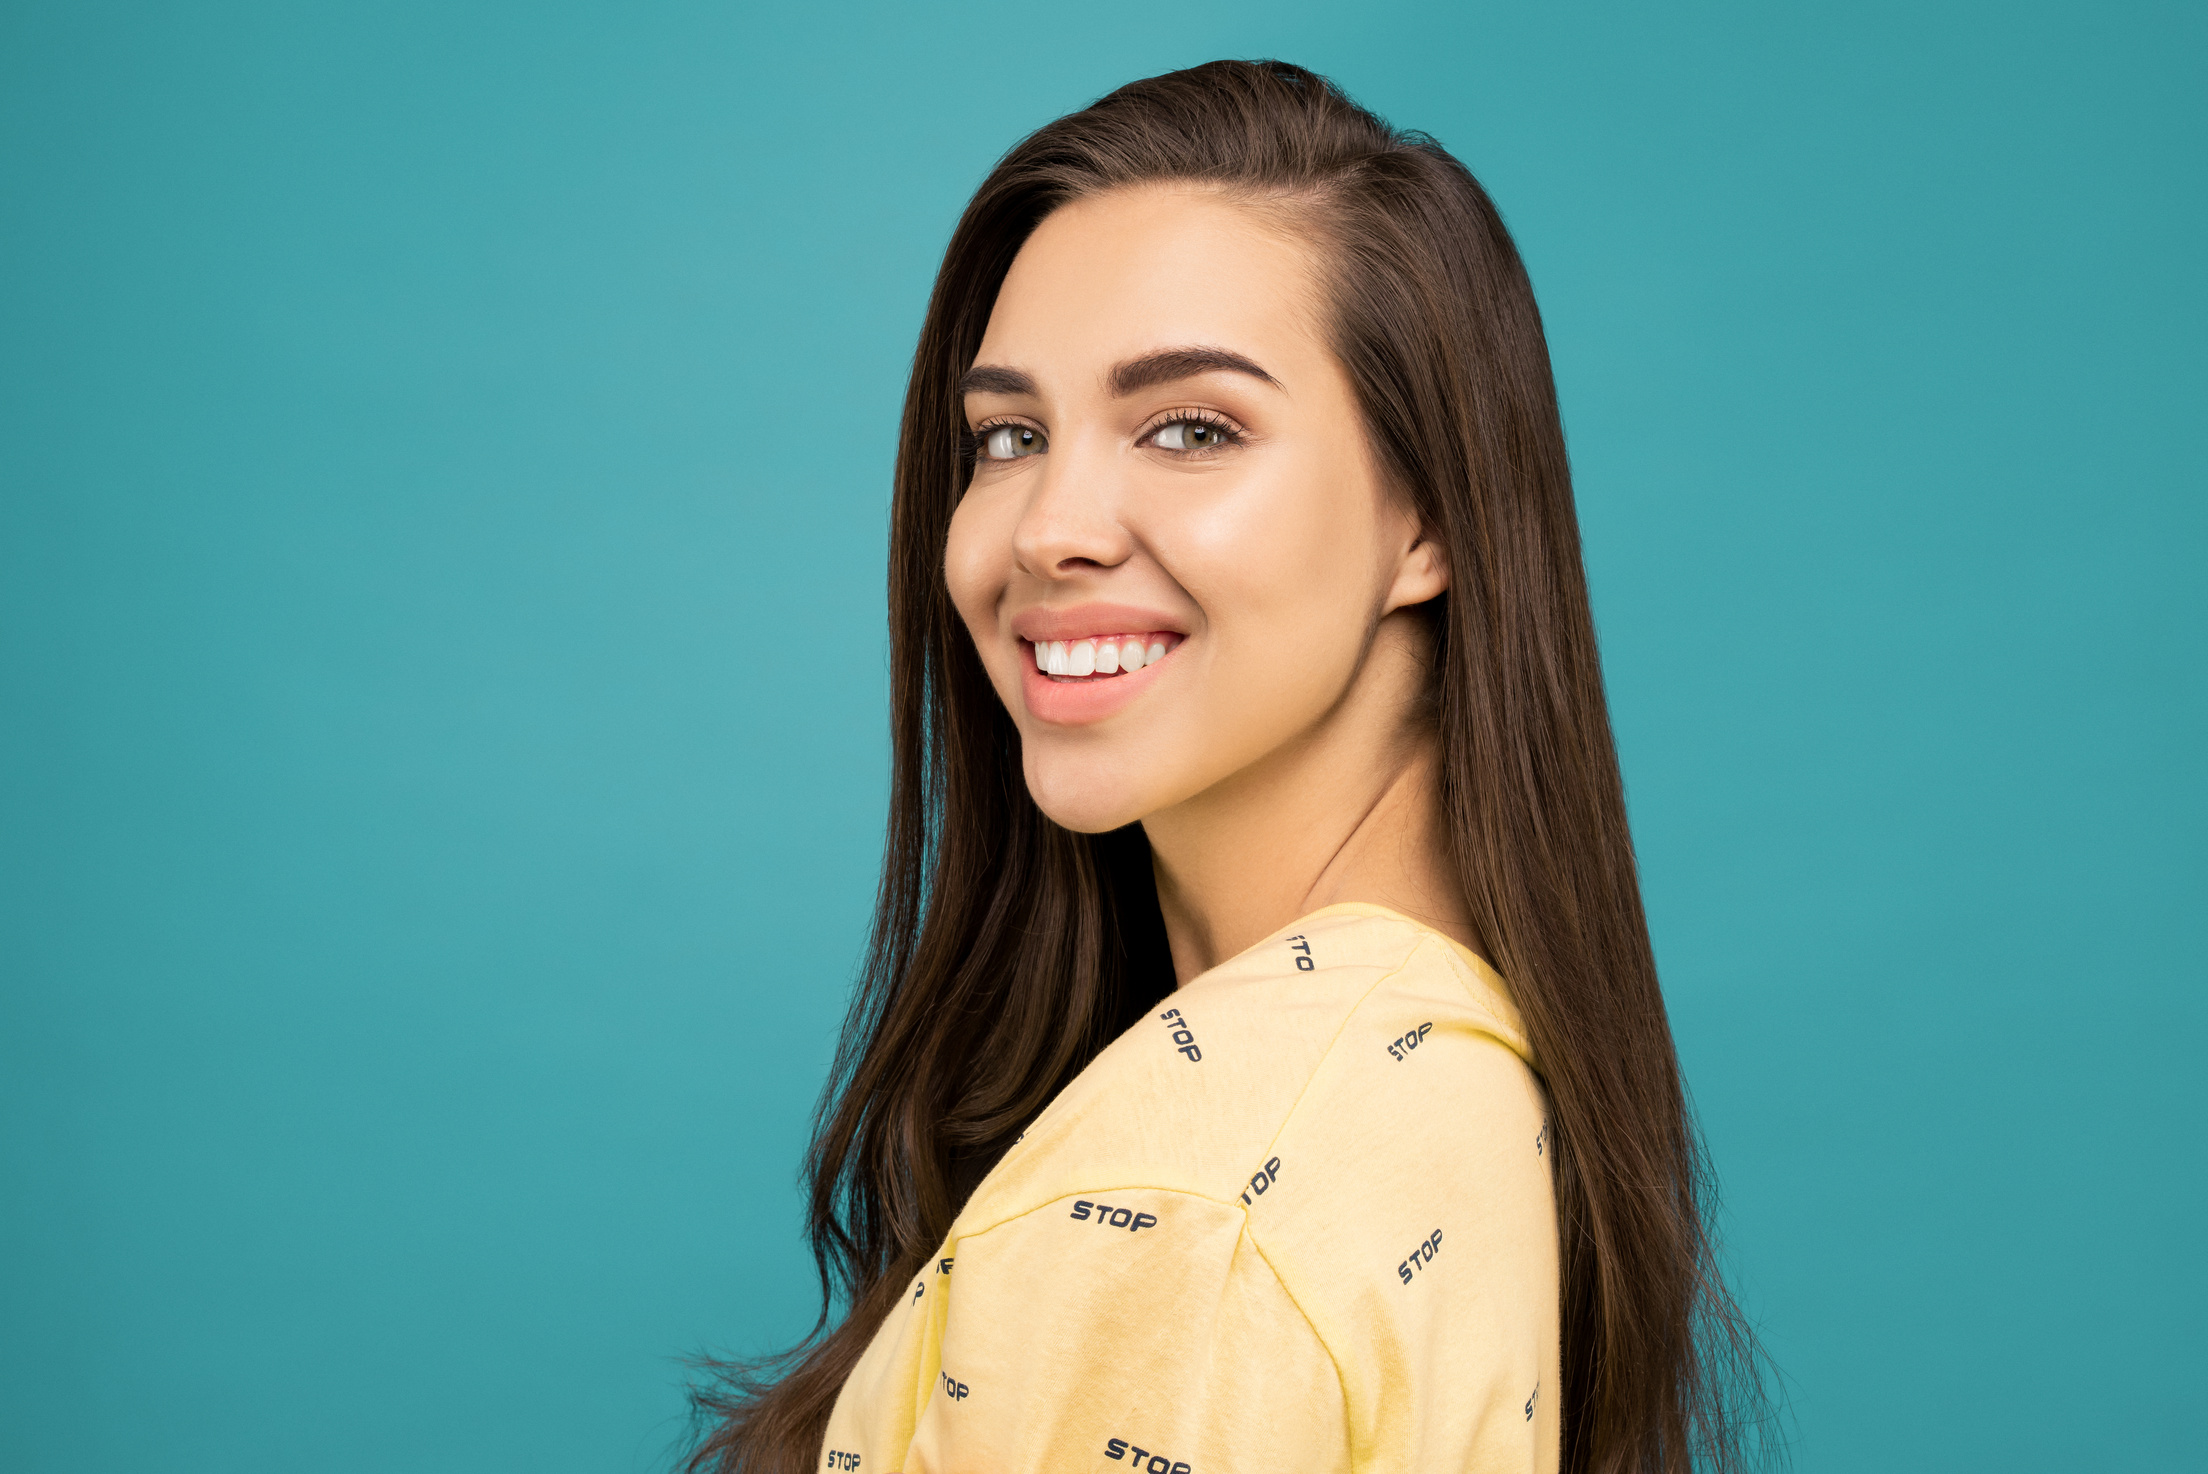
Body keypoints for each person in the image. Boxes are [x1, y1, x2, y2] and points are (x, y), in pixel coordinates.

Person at [690, 59, 1768, 1474]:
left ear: (1428, 516)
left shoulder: (1191, 1210)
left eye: (1190, 427)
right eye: (1008, 435)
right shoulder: (1449, 1062)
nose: (1047, 529)